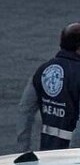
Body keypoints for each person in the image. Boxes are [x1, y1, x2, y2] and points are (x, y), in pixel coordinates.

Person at [19, 22, 80, 152]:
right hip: (72, 157)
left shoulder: (43, 71)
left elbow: (25, 111)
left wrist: (22, 151)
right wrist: (73, 155)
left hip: (48, 152)